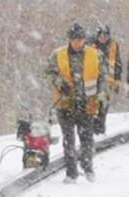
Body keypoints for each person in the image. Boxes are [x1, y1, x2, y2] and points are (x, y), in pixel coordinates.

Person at [45, 23, 107, 184]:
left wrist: (101, 93)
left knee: (86, 138)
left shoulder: (95, 55)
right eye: (75, 39)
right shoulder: (57, 55)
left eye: (81, 39)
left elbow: (102, 76)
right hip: (65, 104)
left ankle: (88, 167)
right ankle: (71, 173)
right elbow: (49, 72)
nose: (78, 43)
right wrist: (59, 83)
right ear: (70, 39)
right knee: (68, 139)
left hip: (87, 104)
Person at [92, 25, 122, 134]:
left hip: (108, 81)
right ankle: (95, 129)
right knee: (94, 106)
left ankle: (100, 129)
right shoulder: (91, 46)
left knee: (104, 105)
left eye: (106, 35)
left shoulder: (113, 45)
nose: (103, 38)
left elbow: (117, 64)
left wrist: (117, 80)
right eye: (101, 35)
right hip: (93, 81)